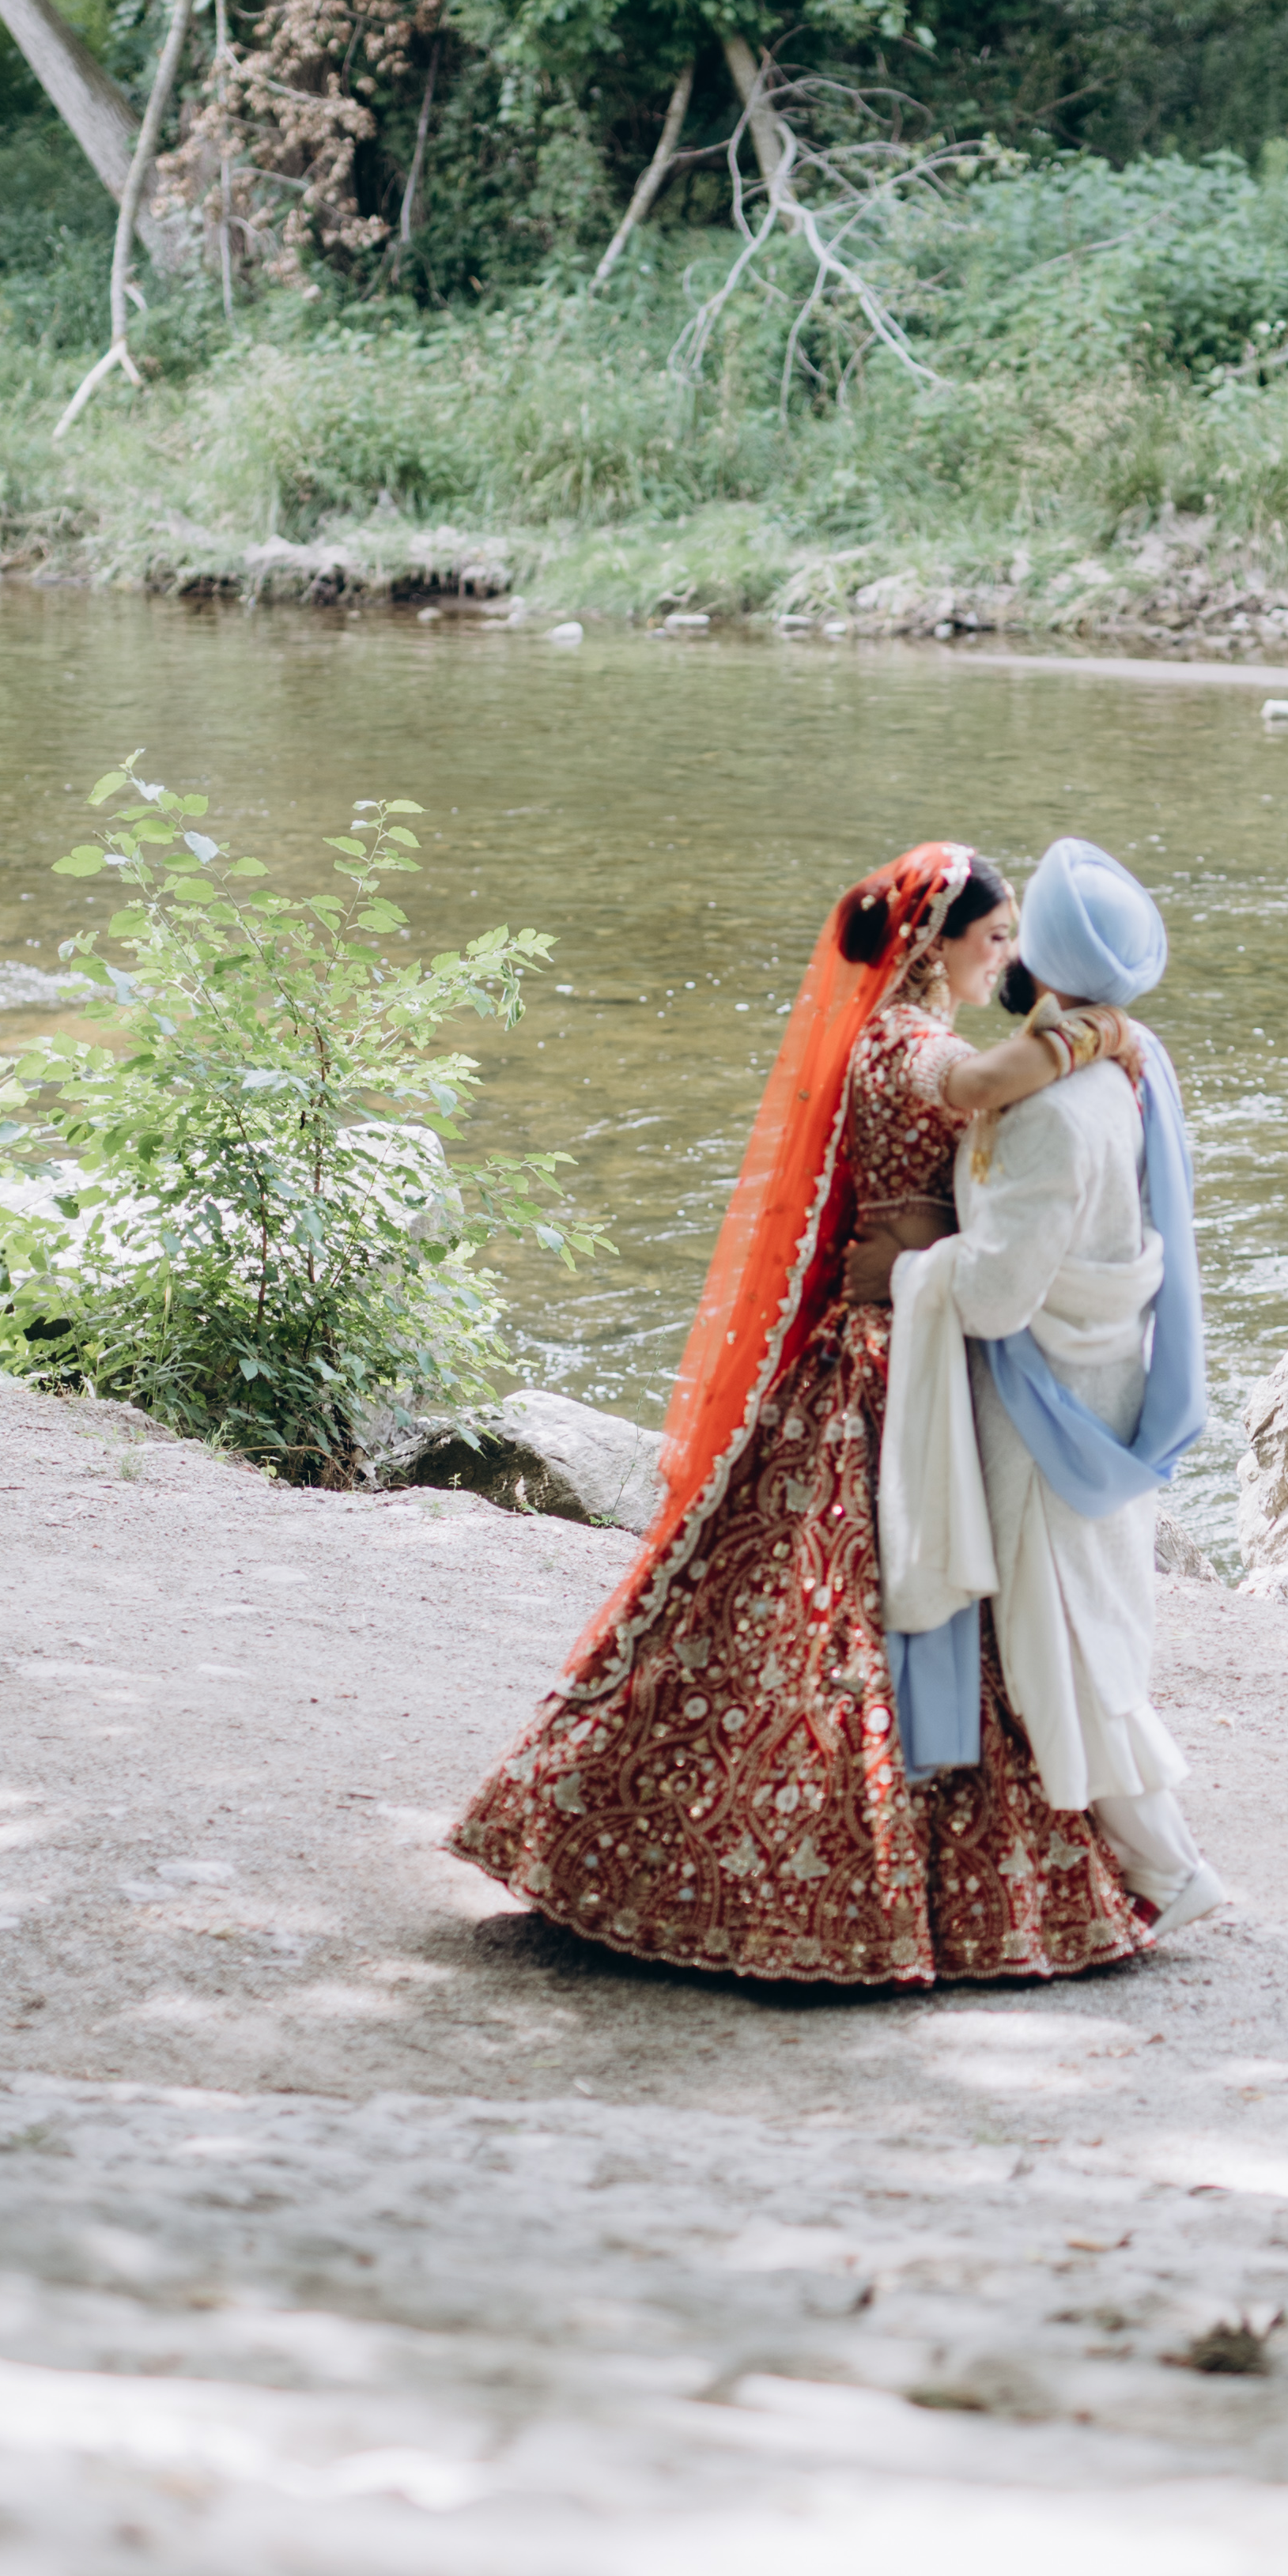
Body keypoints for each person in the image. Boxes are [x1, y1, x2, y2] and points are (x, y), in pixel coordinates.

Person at [448, 842, 1152, 1988]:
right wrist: (1102, 1029)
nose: (1009, 959)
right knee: (868, 1598)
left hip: (902, 1330)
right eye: (995, 937)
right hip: (887, 1352)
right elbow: (984, 1087)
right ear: (934, 943)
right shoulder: (910, 1044)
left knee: (848, 1597)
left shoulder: (898, 1033)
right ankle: (841, 1881)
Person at [852, 837, 1225, 1943]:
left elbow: (995, 1297)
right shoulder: (1130, 1065)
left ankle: (1171, 1867)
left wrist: (906, 1270)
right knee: (1091, 1621)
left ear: (1041, 961)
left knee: (1063, 1637)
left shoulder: (1054, 1110)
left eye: (1020, 938)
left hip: (1044, 1402)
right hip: (1102, 1378)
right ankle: (1146, 1863)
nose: (1006, 954)